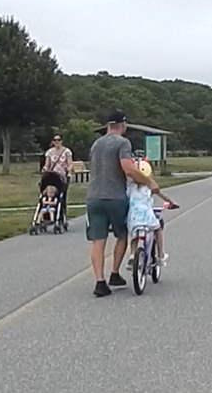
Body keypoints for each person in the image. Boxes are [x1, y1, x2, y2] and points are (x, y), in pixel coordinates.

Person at [86, 110, 160, 297]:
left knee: (98, 240)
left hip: (94, 197)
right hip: (115, 197)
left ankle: (99, 282)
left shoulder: (96, 144)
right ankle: (114, 273)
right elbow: (128, 169)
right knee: (122, 234)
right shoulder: (122, 143)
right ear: (123, 124)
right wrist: (148, 181)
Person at [126, 159, 176, 269]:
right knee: (158, 229)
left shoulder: (130, 187)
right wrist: (172, 203)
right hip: (147, 216)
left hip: (133, 217)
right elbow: (163, 196)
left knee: (134, 236)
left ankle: (132, 254)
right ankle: (160, 255)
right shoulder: (150, 187)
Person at [42, 134, 73, 214]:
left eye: (58, 140)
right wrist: (45, 169)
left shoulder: (66, 152)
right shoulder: (49, 152)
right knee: (48, 192)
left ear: (61, 141)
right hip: (52, 176)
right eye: (55, 140)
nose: (57, 142)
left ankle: (62, 213)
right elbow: (47, 164)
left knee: (62, 195)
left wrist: (69, 170)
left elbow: (70, 163)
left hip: (62, 176)